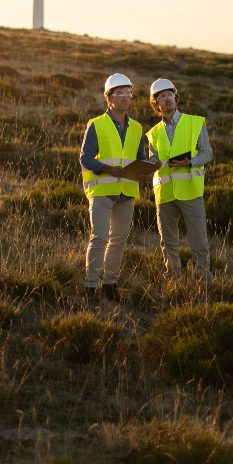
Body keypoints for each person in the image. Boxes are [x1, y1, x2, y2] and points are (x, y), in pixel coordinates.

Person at [80, 73, 146, 302]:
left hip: (127, 193)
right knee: (99, 238)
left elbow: (140, 159)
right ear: (109, 98)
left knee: (118, 241)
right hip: (102, 191)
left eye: (128, 93)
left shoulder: (137, 128)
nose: (126, 97)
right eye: (120, 93)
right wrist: (107, 169)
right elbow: (85, 158)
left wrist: (145, 172)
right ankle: (90, 289)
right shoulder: (96, 125)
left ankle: (110, 285)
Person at [147, 78, 214, 286]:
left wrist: (190, 162)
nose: (168, 99)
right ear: (155, 103)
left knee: (199, 241)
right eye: (162, 97)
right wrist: (152, 163)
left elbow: (207, 153)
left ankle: (203, 280)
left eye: (170, 95)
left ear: (176, 97)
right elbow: (152, 158)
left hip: (190, 191)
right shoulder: (153, 133)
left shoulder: (195, 123)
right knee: (167, 241)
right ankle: (173, 277)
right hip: (164, 193)